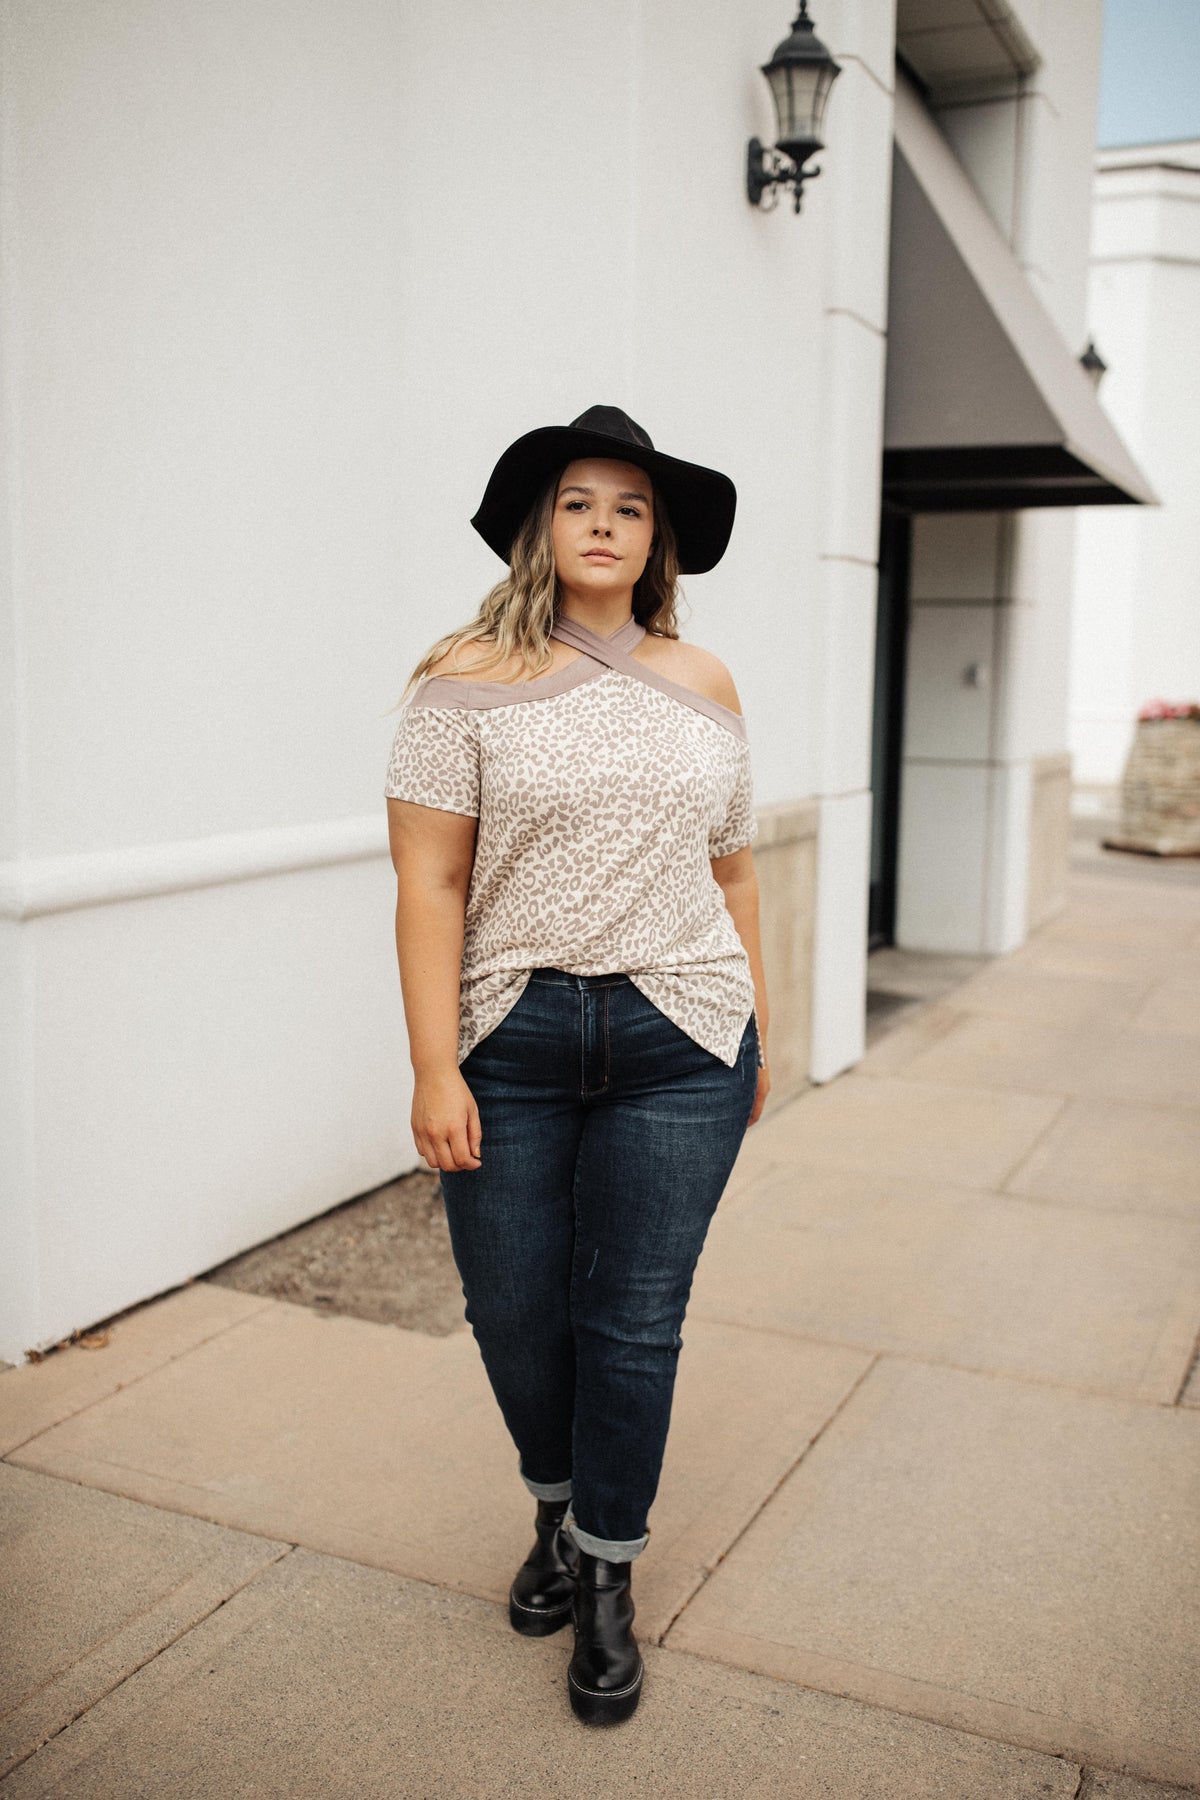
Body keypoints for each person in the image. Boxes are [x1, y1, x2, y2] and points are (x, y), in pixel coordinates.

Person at [384, 404, 770, 1726]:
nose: (605, 524)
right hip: (514, 1039)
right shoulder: (462, 680)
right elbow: (430, 885)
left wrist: (758, 1028)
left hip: (684, 1038)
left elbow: (734, 871)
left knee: (634, 1322)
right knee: (514, 1312)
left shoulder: (706, 681)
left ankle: (606, 1569)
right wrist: (435, 1068)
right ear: (538, 526)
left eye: (631, 507)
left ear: (659, 540)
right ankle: (554, 1510)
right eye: (579, 501)